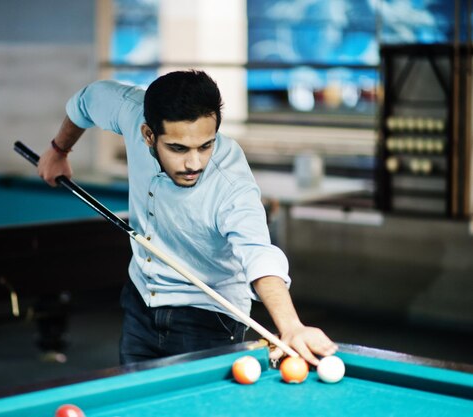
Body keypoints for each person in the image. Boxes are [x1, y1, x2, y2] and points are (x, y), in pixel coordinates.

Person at [38, 70, 337, 366]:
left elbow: (259, 253)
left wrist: (291, 325)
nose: (194, 163)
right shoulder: (131, 112)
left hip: (208, 319)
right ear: (148, 135)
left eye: (205, 146)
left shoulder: (231, 183)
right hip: (140, 301)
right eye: (178, 148)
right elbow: (87, 101)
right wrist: (58, 150)